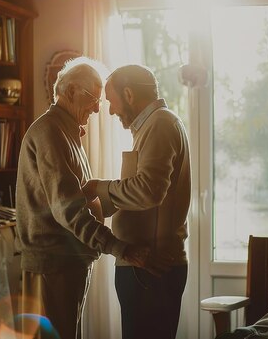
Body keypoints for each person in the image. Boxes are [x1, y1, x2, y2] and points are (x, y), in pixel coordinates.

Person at [14, 57, 153, 339]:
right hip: (54, 265)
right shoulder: (50, 132)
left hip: (67, 262)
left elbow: (83, 195)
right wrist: (117, 246)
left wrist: (121, 195)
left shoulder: (66, 132)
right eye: (93, 97)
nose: (98, 107)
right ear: (70, 91)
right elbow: (69, 208)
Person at [82, 64, 192, 339]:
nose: (109, 110)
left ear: (129, 94)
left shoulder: (160, 124)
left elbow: (148, 190)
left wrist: (98, 187)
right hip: (146, 267)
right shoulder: (155, 125)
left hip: (149, 267)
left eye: (111, 101)